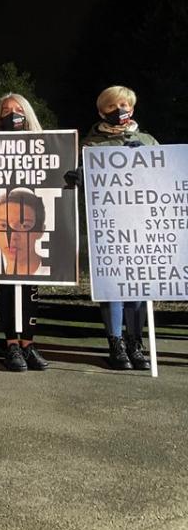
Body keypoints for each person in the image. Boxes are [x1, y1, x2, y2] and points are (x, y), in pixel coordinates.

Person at [72, 85, 156, 371]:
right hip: (107, 226)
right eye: (112, 106)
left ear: (132, 107)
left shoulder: (147, 140)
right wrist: (78, 177)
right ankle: (116, 342)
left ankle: (136, 342)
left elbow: (165, 178)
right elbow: (78, 184)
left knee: (138, 287)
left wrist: (149, 159)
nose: (119, 110)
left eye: (124, 104)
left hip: (143, 224)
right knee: (113, 288)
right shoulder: (90, 145)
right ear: (101, 111)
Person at [0, 94, 50, 372]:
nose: (12, 115)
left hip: (29, 221)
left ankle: (29, 344)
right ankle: (11, 344)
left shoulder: (44, 145)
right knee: (8, 284)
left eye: (18, 110)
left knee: (30, 285)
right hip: (4, 219)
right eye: (6, 110)